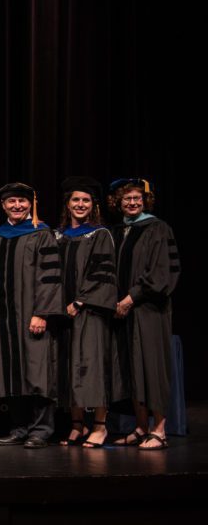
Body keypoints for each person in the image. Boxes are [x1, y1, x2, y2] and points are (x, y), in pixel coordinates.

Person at [0, 183, 63, 449]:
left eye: (22, 201)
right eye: (11, 202)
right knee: (9, 373)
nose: (17, 206)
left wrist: (42, 313)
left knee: (38, 372)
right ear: (3, 205)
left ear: (31, 204)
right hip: (3, 318)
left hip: (31, 316)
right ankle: (18, 428)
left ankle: (41, 430)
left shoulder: (41, 233)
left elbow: (50, 277)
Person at [108, 178, 180, 451]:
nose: (132, 202)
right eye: (127, 199)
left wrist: (130, 298)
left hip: (149, 311)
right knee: (131, 370)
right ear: (118, 202)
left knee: (151, 367)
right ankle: (140, 428)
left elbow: (162, 273)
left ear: (145, 201)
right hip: (122, 313)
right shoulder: (118, 231)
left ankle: (159, 429)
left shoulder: (158, 228)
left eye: (137, 198)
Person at [54, 177, 117, 448]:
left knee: (91, 366)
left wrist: (80, 301)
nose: (80, 205)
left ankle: (100, 426)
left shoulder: (100, 234)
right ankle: (77, 425)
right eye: (75, 200)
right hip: (62, 312)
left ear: (93, 205)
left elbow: (103, 273)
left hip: (90, 312)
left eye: (86, 200)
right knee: (68, 366)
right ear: (67, 204)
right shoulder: (57, 235)